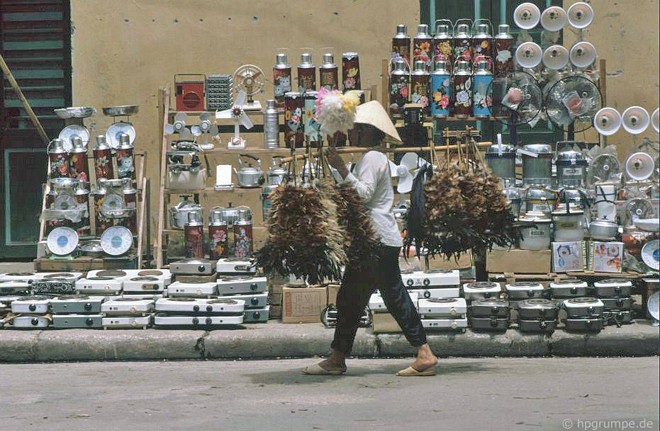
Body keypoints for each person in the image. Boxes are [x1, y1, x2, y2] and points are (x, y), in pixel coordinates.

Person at [302, 101, 438, 377]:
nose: (351, 135)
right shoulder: (370, 159)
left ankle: (424, 353)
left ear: (366, 132)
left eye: (355, 130)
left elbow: (362, 195)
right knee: (351, 298)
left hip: (377, 239)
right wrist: (341, 170)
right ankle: (337, 357)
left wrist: (341, 168)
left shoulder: (373, 158)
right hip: (373, 240)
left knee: (391, 296)